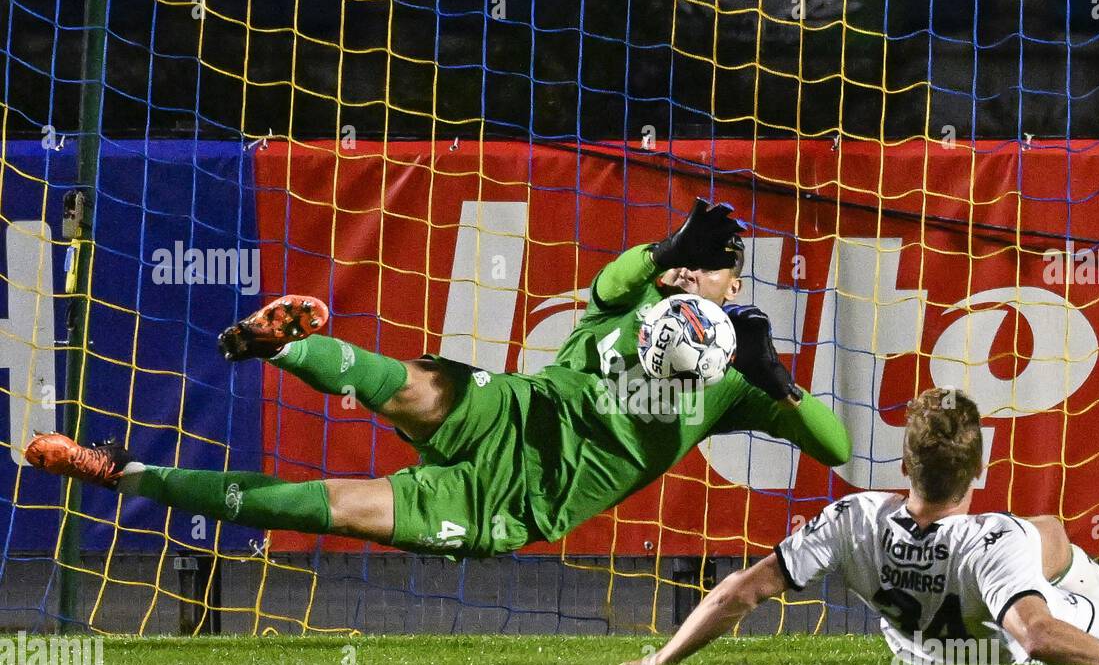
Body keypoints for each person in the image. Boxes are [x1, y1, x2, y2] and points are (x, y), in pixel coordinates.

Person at [25, 199, 851, 557]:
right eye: (686, 268)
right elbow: (612, 285)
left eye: (710, 272)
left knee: (337, 507)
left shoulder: (733, 384)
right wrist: (671, 253)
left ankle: (120, 470)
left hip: (515, 505)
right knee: (415, 386)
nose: (688, 280)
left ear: (735, 289)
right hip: (516, 415)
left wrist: (776, 379)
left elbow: (838, 445)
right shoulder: (640, 295)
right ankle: (278, 344)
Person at [625, 387, 1099, 665]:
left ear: (903, 464)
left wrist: (661, 657)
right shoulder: (992, 541)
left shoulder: (852, 519)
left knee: (1050, 532)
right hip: (994, 654)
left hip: (919, 650)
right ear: (981, 469)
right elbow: (1039, 638)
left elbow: (740, 590)